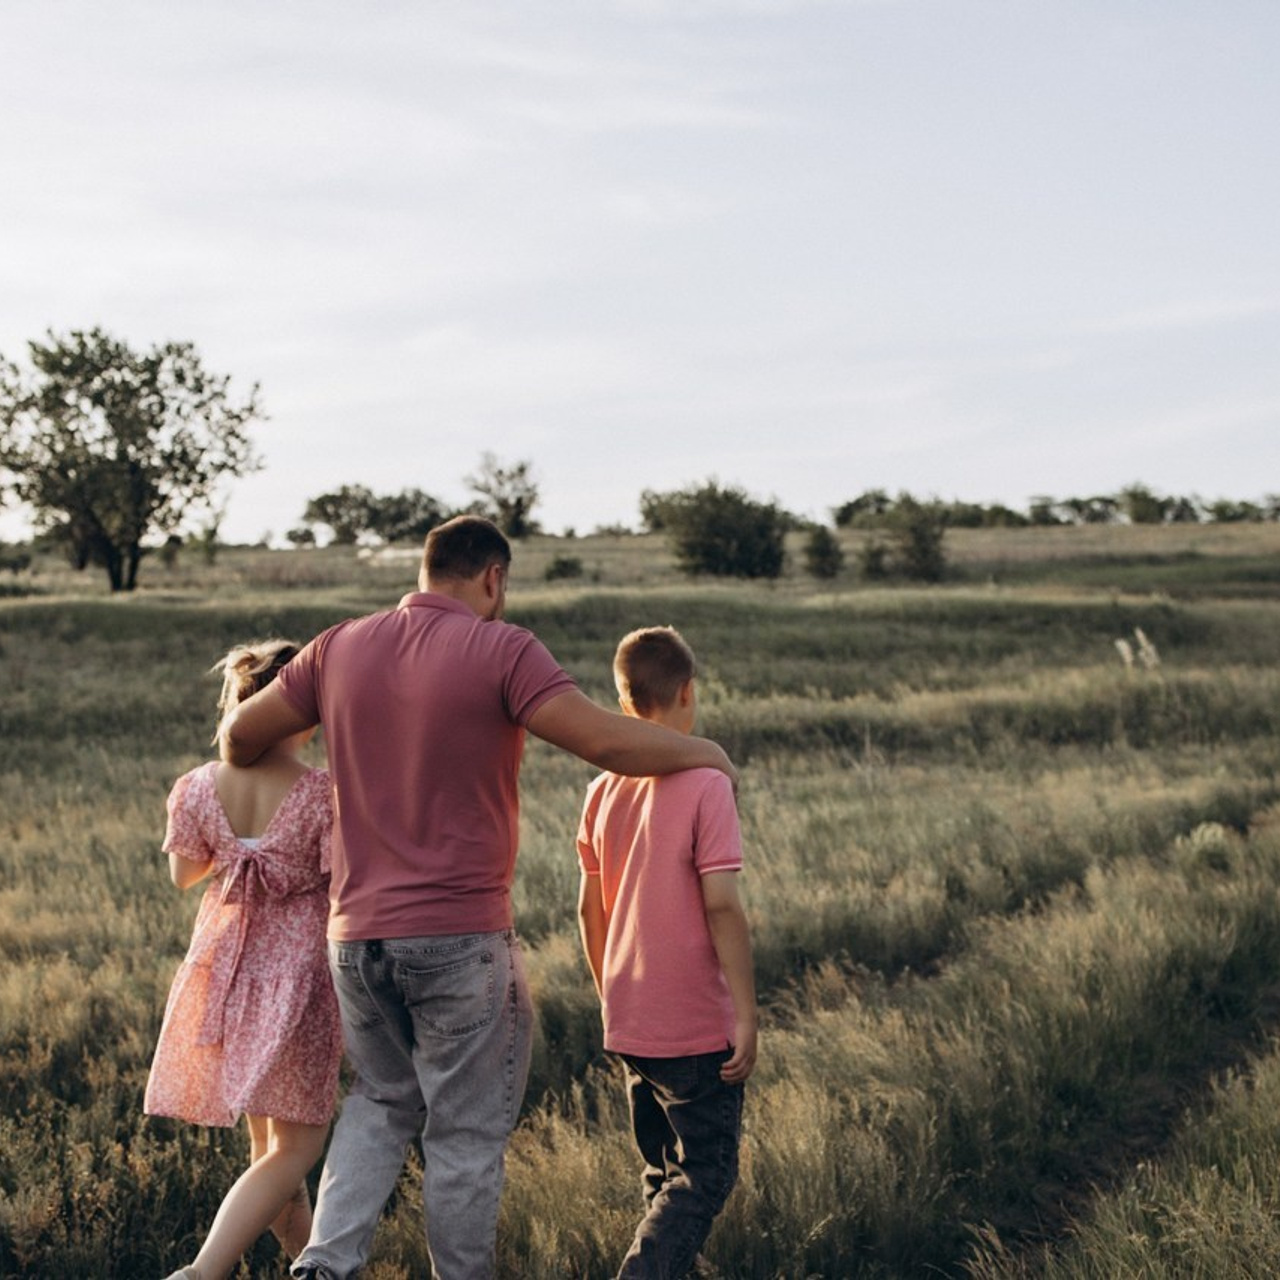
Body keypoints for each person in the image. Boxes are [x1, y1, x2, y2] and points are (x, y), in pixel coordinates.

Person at [217, 515, 738, 1280]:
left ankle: (323, 1264)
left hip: (354, 940)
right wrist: (707, 753)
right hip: (458, 938)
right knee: (462, 1134)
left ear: (426, 570)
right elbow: (605, 742)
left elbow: (239, 737)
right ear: (494, 578)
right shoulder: (503, 649)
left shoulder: (338, 647)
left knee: (379, 1101)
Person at [147, 640, 344, 1280]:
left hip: (229, 972)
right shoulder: (322, 793)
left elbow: (184, 874)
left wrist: (236, 852)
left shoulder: (199, 785)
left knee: (270, 1157)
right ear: (301, 713)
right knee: (295, 1151)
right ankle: (202, 1272)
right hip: (297, 980)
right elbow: (343, 882)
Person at [576, 625, 757, 1279]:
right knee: (705, 1175)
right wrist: (746, 1014)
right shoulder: (707, 783)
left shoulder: (602, 790)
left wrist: (611, 996)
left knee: (662, 1174)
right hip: (693, 1025)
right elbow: (722, 905)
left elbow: (588, 909)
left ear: (624, 701)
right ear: (688, 692)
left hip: (630, 1017)